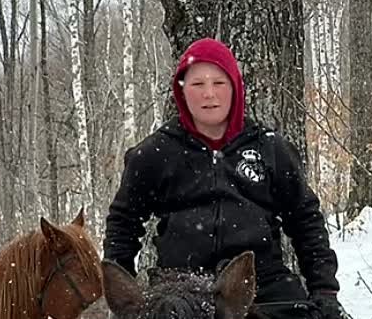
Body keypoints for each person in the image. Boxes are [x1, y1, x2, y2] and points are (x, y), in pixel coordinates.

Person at [103, 38, 351, 319]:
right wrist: (123, 294)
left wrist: (325, 291)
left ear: (235, 87)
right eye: (197, 84)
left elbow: (306, 221)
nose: (209, 94)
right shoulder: (154, 152)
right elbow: (123, 223)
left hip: (263, 286)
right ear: (182, 91)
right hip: (177, 292)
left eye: (219, 83)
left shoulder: (269, 147)